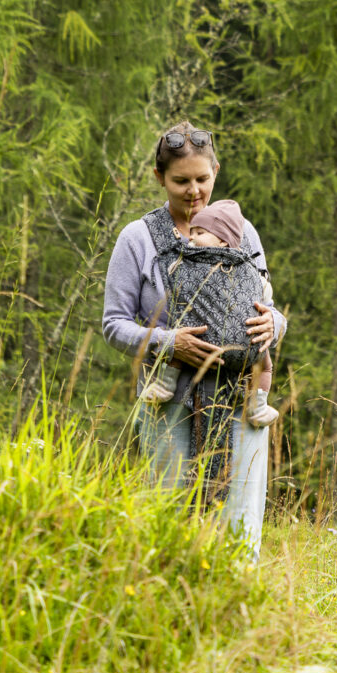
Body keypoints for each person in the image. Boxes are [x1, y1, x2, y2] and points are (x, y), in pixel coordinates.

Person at [101, 121, 286, 557]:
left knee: (239, 532)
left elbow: (267, 302)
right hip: (169, 405)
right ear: (159, 178)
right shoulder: (138, 239)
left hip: (239, 406)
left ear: (216, 171)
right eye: (180, 181)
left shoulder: (243, 231)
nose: (193, 191)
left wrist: (274, 326)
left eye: (202, 179)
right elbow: (113, 323)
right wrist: (168, 342)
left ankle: (237, 617)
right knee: (169, 527)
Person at [140, 198, 279, 427]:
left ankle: (166, 384)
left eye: (199, 232)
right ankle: (257, 405)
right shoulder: (247, 266)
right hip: (228, 343)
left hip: (206, 339)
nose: (191, 237)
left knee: (180, 338)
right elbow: (264, 292)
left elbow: (269, 309)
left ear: (224, 240)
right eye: (191, 232)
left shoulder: (187, 262)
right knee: (264, 366)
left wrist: (273, 321)